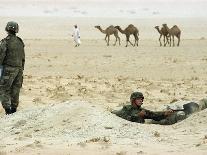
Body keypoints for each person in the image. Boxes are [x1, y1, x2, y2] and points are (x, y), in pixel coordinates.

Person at [0, 21, 25, 115]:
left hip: (8, 69)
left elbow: (1, 56)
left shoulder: (5, 41)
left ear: (7, 29)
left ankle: (8, 111)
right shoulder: (20, 41)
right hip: (19, 70)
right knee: (15, 90)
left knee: (3, 89)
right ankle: (14, 110)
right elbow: (23, 57)